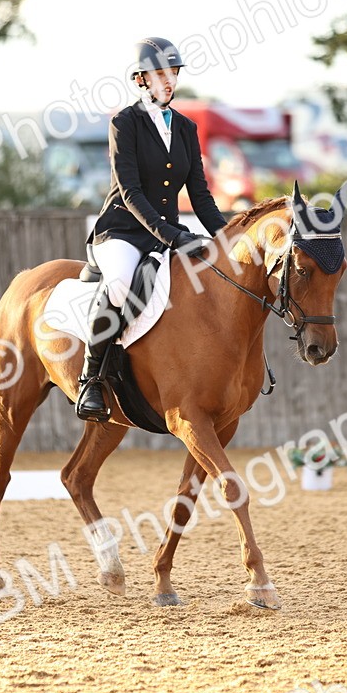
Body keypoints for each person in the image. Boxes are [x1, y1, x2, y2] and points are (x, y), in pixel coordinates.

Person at [75, 37, 230, 422]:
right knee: (122, 284)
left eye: (173, 73)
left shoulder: (186, 128)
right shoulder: (124, 123)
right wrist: (173, 235)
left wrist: (230, 238)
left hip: (168, 233)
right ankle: (91, 379)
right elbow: (129, 191)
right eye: (161, 74)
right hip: (123, 232)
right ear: (142, 78)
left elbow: (200, 195)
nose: (169, 81)